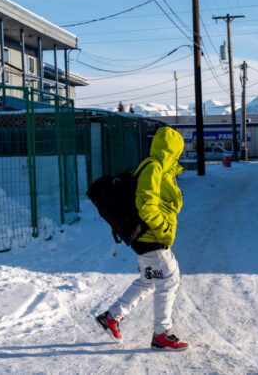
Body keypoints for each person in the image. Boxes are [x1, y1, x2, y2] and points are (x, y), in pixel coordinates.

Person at [96, 126, 189, 352]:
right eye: (178, 151)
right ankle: (162, 334)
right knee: (169, 280)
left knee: (149, 281)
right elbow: (145, 204)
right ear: (172, 148)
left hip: (151, 237)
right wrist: (163, 227)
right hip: (152, 236)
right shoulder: (154, 167)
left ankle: (112, 317)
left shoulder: (162, 169)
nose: (180, 155)